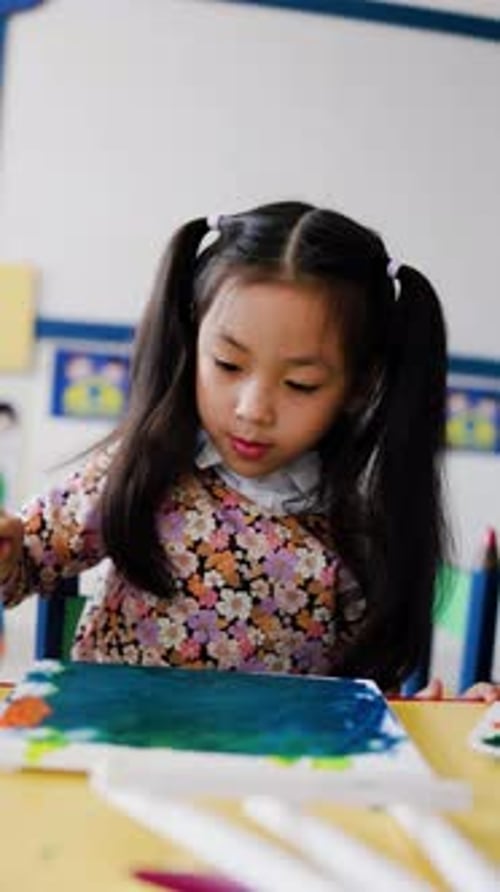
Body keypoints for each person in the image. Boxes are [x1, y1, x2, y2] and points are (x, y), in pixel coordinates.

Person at [0, 201, 497, 699]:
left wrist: (439, 716)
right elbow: (24, 562)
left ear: (358, 387)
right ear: (192, 341)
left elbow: (361, 707)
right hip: (109, 750)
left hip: (272, 771)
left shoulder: (358, 531)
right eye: (228, 364)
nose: (253, 409)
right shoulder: (143, 469)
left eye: (301, 384)